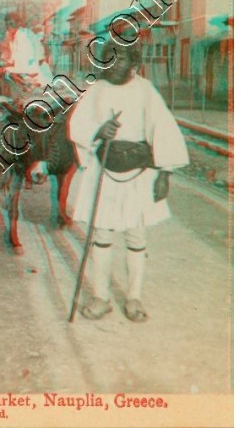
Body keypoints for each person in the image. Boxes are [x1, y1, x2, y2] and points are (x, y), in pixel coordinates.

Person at [67, 39, 189, 322]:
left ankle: (133, 297)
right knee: (102, 235)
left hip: (138, 174)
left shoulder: (145, 91)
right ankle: (101, 297)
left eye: (119, 58)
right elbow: (78, 126)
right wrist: (99, 130)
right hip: (105, 173)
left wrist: (165, 173)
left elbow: (165, 130)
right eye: (108, 57)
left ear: (134, 64)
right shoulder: (96, 91)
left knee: (136, 235)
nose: (112, 63)